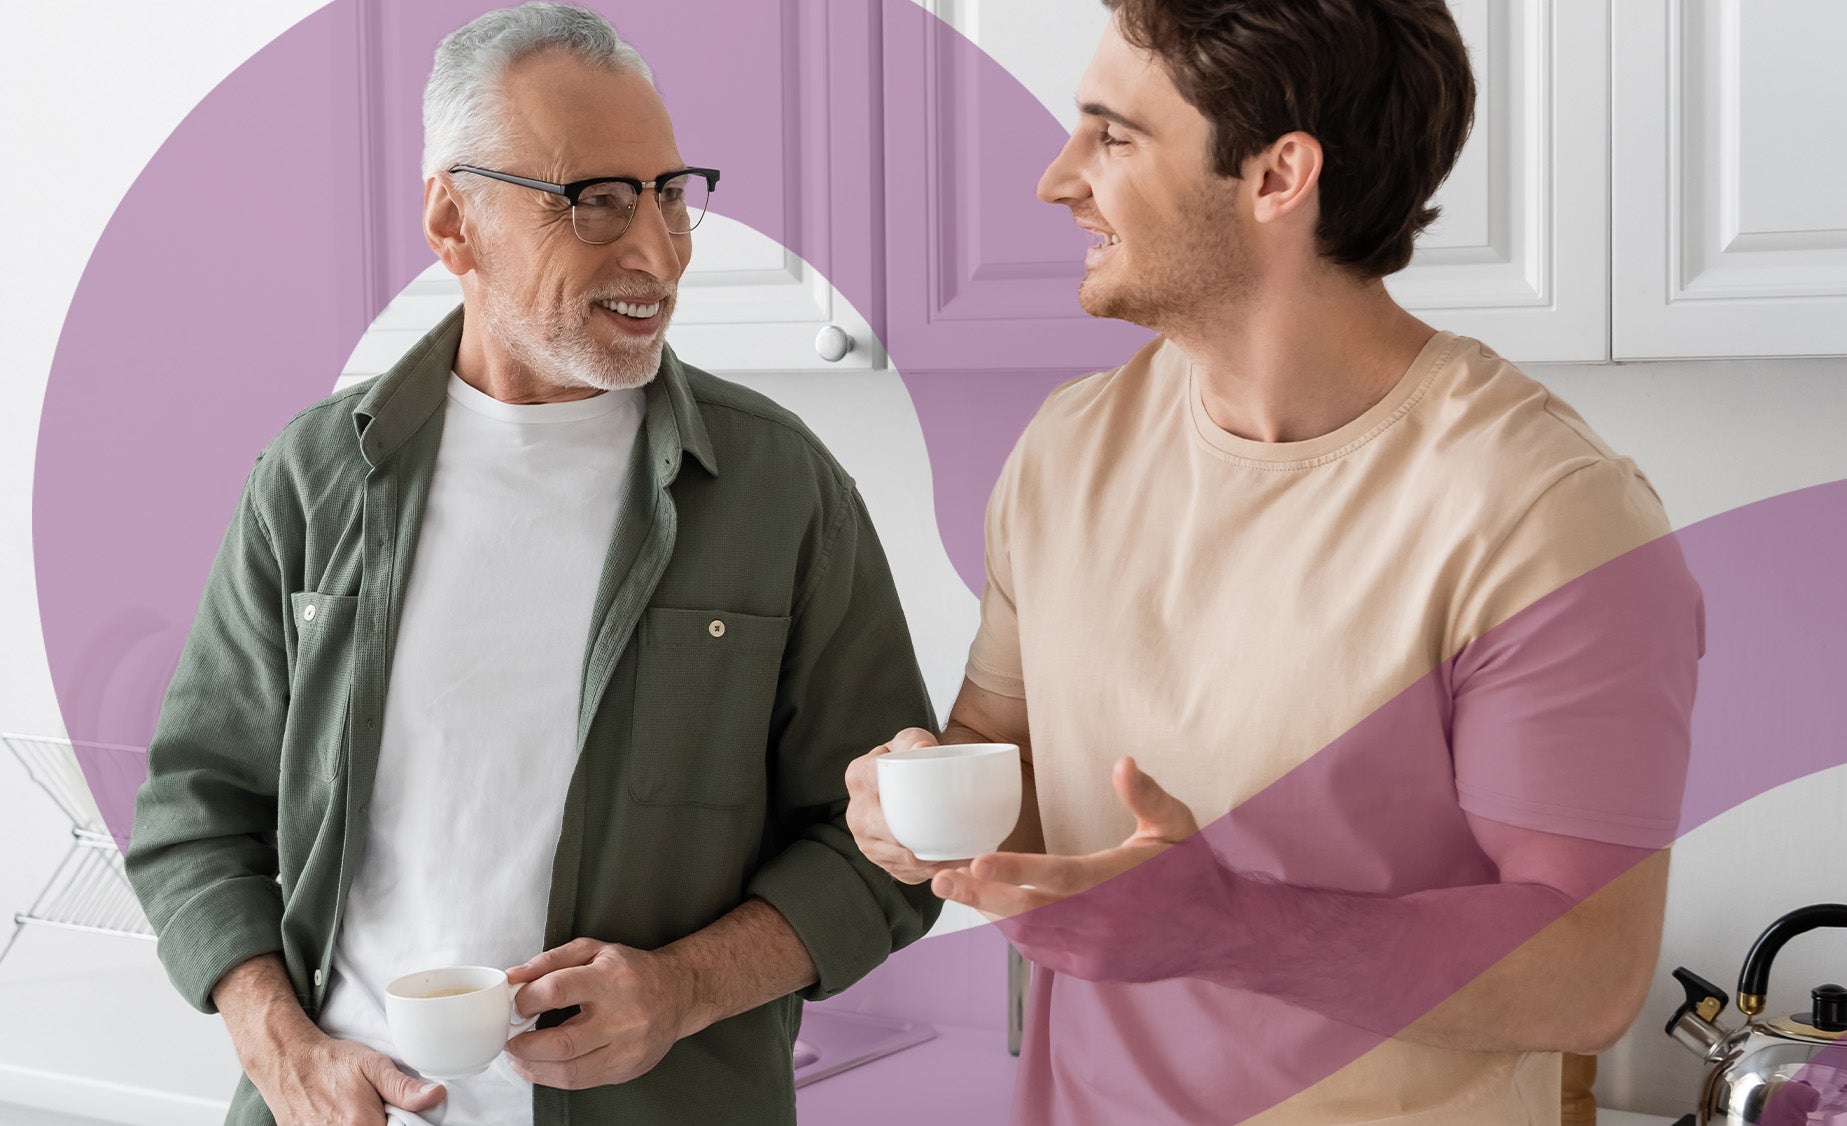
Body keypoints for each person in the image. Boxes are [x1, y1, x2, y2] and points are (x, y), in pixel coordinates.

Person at [845, 1, 1703, 1123]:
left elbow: (1587, 972)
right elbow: (1002, 774)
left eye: (1111, 136)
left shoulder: (1542, 512)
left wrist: (1224, 922)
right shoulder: (1066, 451)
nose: (1058, 179)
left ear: (1275, 176)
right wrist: (912, 801)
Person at [125, 5, 938, 1124]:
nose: (657, 252)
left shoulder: (780, 490)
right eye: (594, 201)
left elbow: (886, 846)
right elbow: (193, 816)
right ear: (454, 223)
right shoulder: (312, 480)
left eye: (667, 192)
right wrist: (283, 1055)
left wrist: (683, 988)